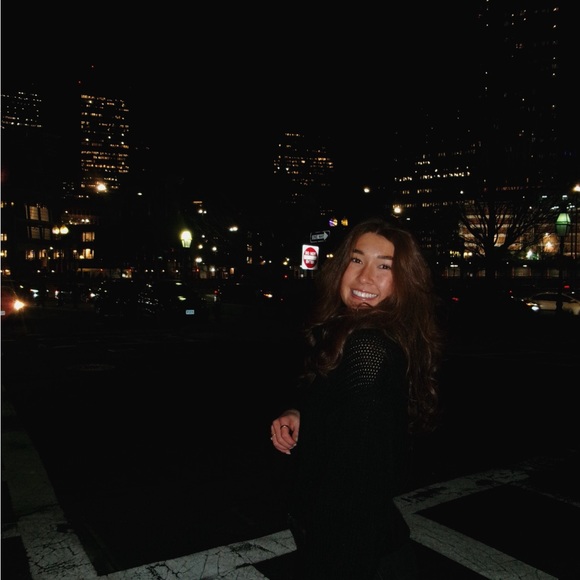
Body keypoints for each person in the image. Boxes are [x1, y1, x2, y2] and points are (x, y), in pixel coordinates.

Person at [270, 217, 444, 580]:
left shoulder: (368, 347)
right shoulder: (359, 333)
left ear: (405, 281)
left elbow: (360, 487)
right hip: (362, 547)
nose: (365, 277)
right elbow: (357, 424)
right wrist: (303, 415)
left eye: (384, 266)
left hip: (354, 556)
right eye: (356, 259)